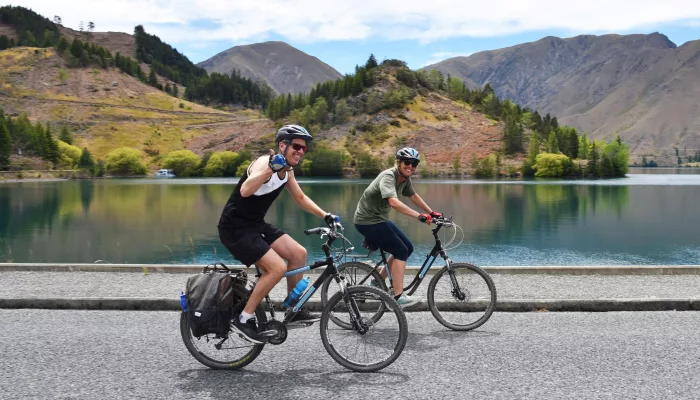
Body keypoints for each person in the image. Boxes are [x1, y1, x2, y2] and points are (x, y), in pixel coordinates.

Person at [218, 124, 338, 343]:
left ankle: (293, 309)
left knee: (298, 254)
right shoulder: (266, 162)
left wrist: (325, 215)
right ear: (282, 145)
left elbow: (300, 198)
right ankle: (243, 319)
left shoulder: (287, 170)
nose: (301, 151)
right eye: (296, 146)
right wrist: (269, 169)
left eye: (304, 148)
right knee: (277, 268)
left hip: (255, 224)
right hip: (235, 228)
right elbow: (245, 190)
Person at [353, 147, 442, 308]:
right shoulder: (389, 176)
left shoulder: (404, 178)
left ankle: (376, 282)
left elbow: (413, 195)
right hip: (366, 221)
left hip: (378, 219)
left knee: (407, 248)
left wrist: (431, 212)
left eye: (414, 164)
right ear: (399, 163)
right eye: (407, 162)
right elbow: (393, 203)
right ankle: (398, 296)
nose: (410, 166)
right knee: (400, 251)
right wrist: (419, 216)